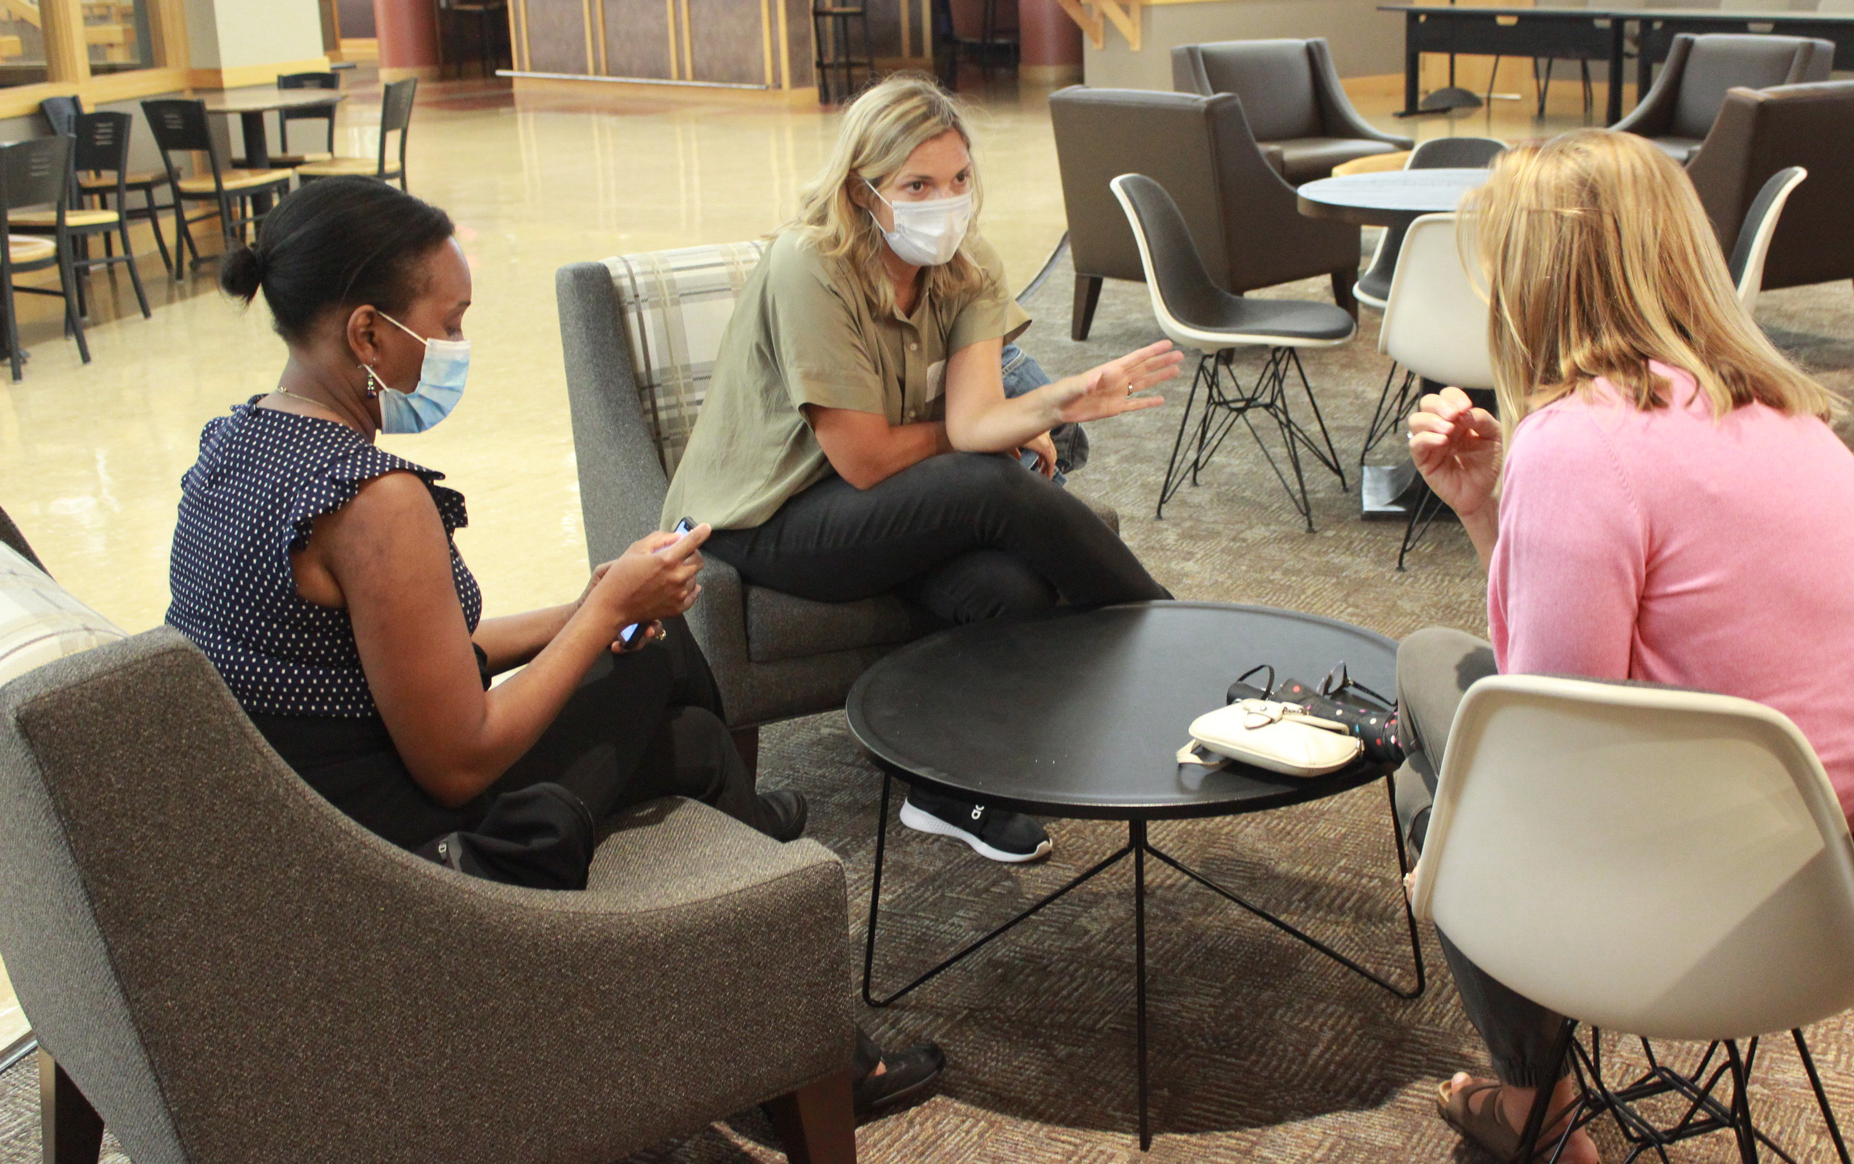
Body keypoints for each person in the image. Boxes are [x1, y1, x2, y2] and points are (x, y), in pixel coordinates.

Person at [166, 177, 942, 1116]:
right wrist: (606, 609)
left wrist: (586, 600)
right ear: (368, 334)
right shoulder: (371, 502)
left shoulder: (242, 442)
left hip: (296, 815)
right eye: (446, 324)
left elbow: (401, 655)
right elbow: (459, 759)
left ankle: (753, 879)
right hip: (395, 855)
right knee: (651, 655)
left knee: (689, 739)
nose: (456, 348)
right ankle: (788, 992)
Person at [1397, 132, 1854, 1164]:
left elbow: (1546, 746)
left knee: (1429, 712)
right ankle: (1535, 1092)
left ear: (1532, 279)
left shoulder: (1579, 440)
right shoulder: (1780, 404)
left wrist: (1507, 507)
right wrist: (1487, 514)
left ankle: (1534, 1105)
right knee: (1458, 715)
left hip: (1751, 906)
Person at [664, 73, 1181, 866]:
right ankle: (1172, 636)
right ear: (862, 189)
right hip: (767, 518)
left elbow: (975, 418)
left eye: (959, 179)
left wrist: (1061, 401)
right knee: (990, 484)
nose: (946, 201)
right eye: (918, 184)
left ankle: (950, 790)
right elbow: (869, 456)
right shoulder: (811, 263)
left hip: (881, 506)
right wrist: (988, 438)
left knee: (1007, 587)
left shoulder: (966, 264)